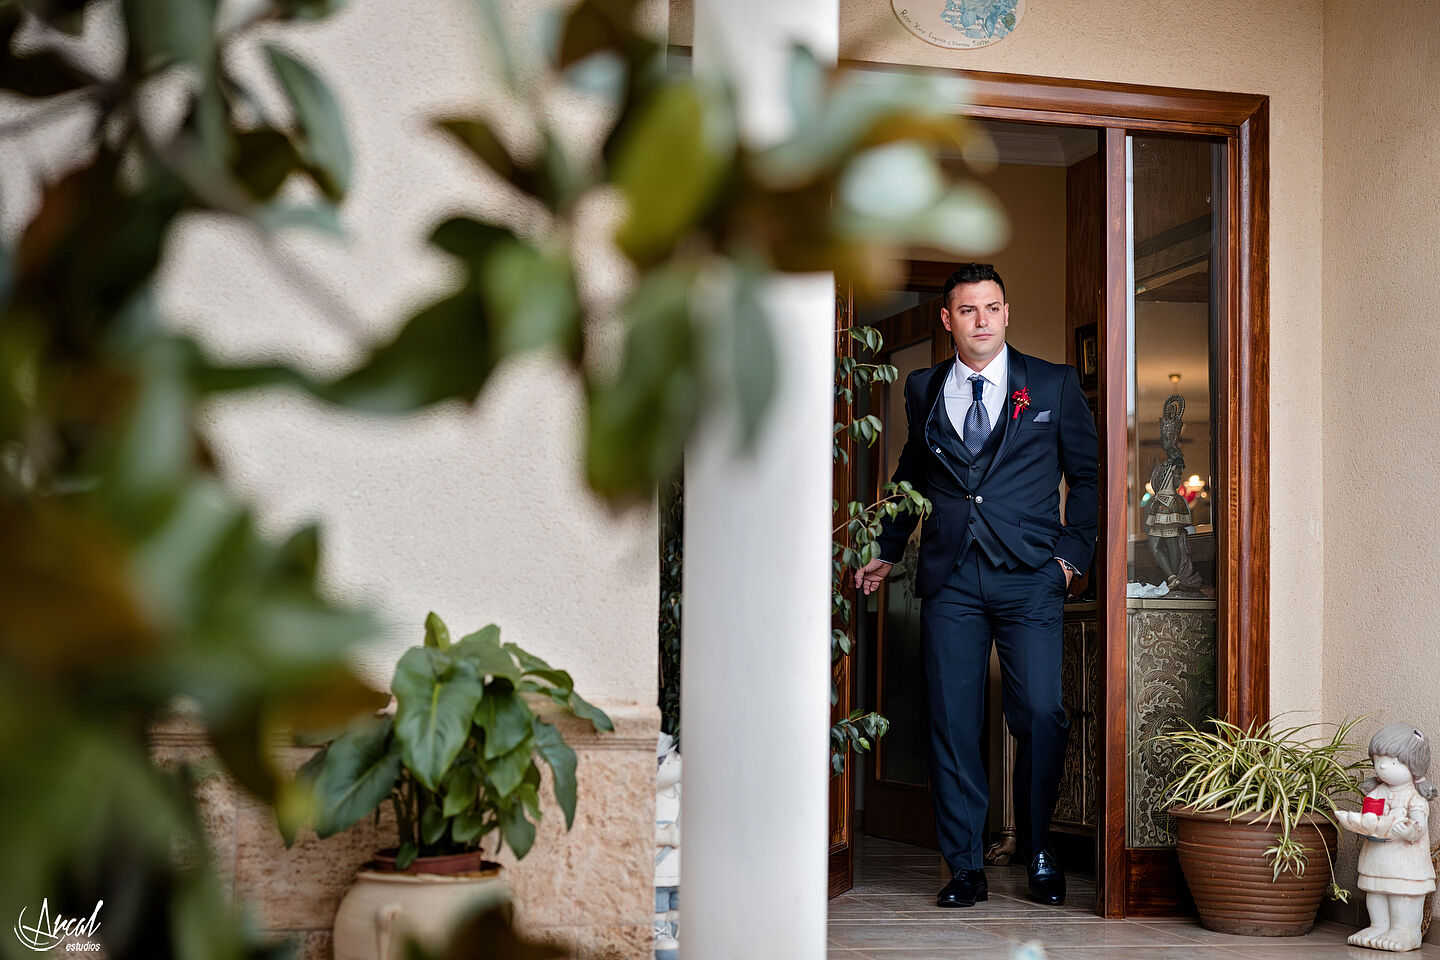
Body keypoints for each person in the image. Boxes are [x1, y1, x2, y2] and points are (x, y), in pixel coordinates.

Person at [854, 263, 1098, 908]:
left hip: (1031, 575)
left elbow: (1088, 477)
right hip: (952, 577)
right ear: (948, 319)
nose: (981, 320)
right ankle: (964, 866)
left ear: (1006, 313)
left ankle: (1040, 848)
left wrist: (1069, 560)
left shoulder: (1052, 383)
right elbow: (912, 472)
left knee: (1041, 712)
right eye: (968, 310)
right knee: (952, 721)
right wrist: (886, 548)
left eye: (992, 308)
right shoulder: (923, 388)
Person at [1336, 723, 1437, 952]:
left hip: (1404, 861)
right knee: (1376, 891)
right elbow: (1370, 816)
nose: (1382, 766)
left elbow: (1419, 825)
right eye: (1378, 760)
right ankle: (1378, 926)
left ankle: (1405, 931)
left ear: (1413, 764)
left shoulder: (1414, 797)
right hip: (1377, 856)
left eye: (1392, 761)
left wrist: (1410, 831)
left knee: (1401, 893)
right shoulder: (1377, 792)